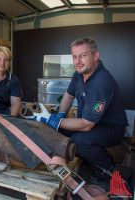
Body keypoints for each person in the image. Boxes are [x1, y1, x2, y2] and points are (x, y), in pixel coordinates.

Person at [31, 38, 128, 184]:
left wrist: (53, 121)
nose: (77, 61)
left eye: (83, 55)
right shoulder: (79, 74)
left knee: (79, 142)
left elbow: (87, 125)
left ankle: (108, 168)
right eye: (74, 57)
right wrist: (59, 115)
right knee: (59, 132)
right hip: (91, 122)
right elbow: (68, 96)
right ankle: (84, 159)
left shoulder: (101, 82)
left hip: (111, 128)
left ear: (95, 56)